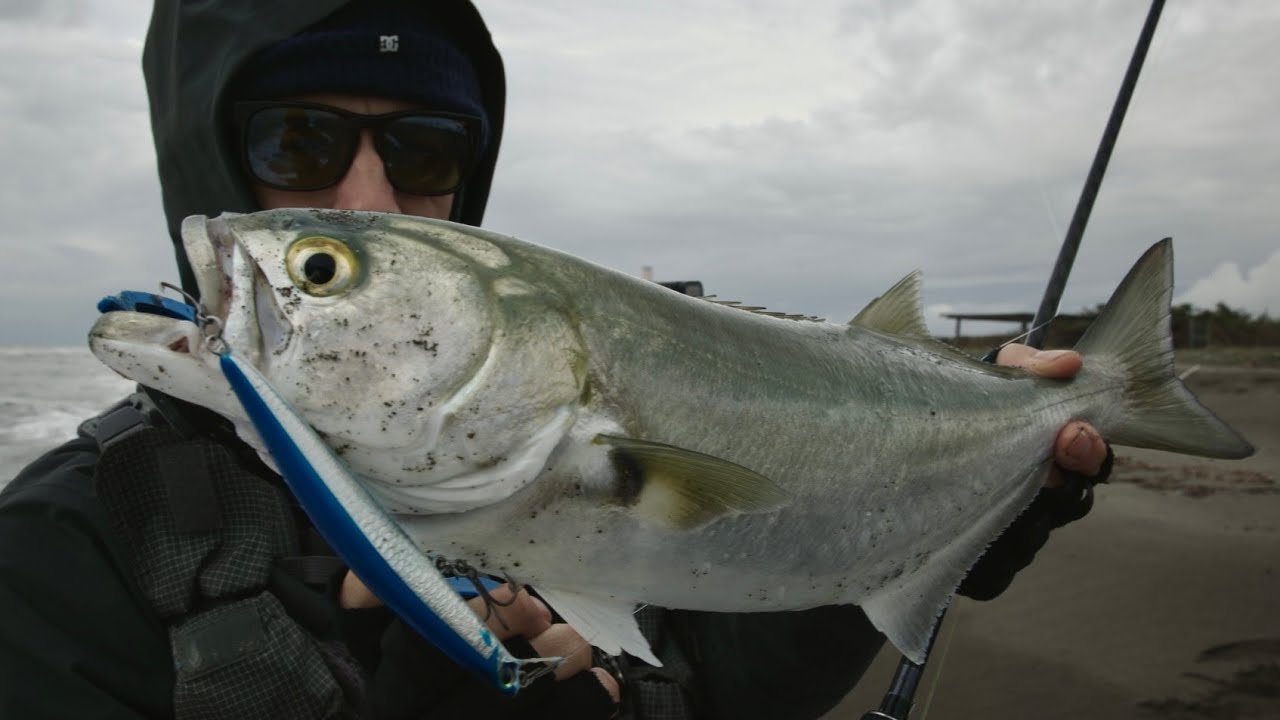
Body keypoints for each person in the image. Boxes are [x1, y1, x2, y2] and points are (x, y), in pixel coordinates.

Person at [0, 1, 1111, 718]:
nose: (367, 196)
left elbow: (714, 689)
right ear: (202, 151)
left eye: (427, 150)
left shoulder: (540, 444)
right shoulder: (57, 552)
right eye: (297, 142)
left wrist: (914, 516)